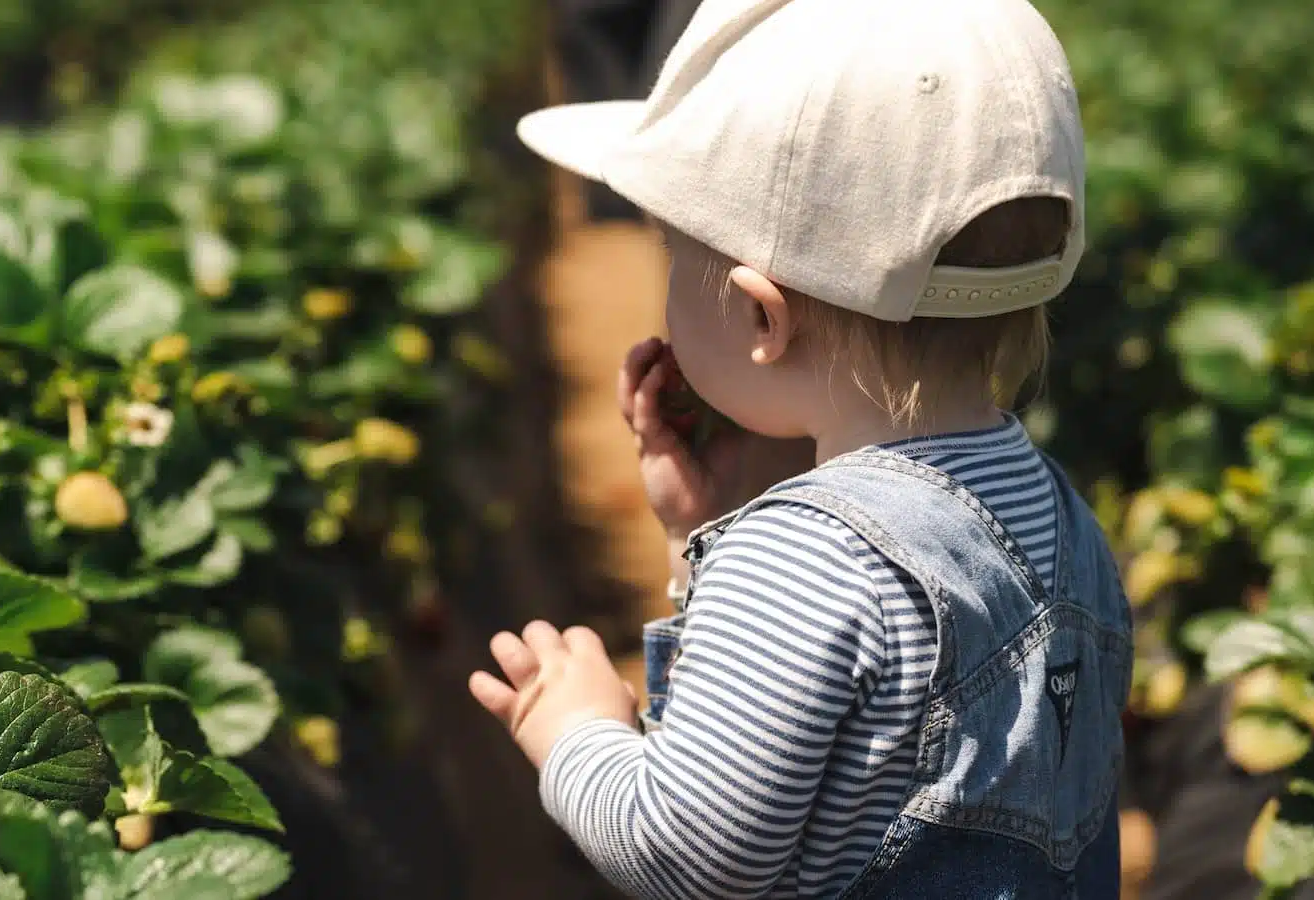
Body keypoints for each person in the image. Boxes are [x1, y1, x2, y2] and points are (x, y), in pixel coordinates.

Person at [467, 0, 1135, 897]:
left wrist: (576, 731)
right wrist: (701, 537)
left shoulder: (804, 558)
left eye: (672, 251)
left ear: (759, 315)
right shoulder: (1065, 525)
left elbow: (687, 855)